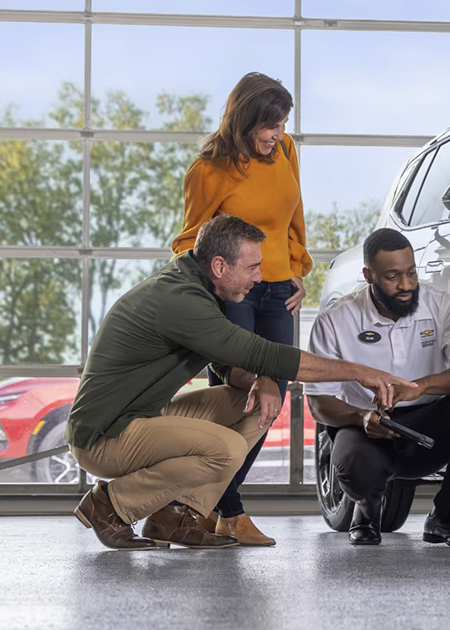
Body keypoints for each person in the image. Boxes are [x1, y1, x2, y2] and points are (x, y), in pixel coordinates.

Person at [68, 216, 416, 550]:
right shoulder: (182, 300)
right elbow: (263, 352)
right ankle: (110, 505)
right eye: (252, 268)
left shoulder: (199, 288)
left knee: (255, 407)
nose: (260, 278)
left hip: (144, 417)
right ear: (219, 266)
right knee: (227, 449)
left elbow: (224, 362)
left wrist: (258, 381)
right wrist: (362, 372)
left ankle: (175, 516)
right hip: (104, 436)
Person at [171, 72, 310, 546]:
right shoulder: (208, 170)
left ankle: (210, 508)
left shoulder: (286, 150)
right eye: (270, 125)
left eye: (284, 122)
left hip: (278, 293)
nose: (278, 133)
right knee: (238, 396)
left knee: (273, 398)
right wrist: (216, 292)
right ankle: (228, 510)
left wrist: (296, 268)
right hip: (235, 294)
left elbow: (295, 214)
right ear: (246, 119)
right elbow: (188, 242)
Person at [305, 228, 450, 547]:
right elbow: (318, 404)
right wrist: (361, 418)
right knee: (356, 465)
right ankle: (366, 513)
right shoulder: (335, 320)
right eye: (393, 276)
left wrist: (420, 387)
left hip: (428, 427)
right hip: (367, 427)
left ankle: (445, 516)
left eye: (410, 273)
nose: (406, 285)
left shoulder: (441, 306)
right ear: (368, 275)